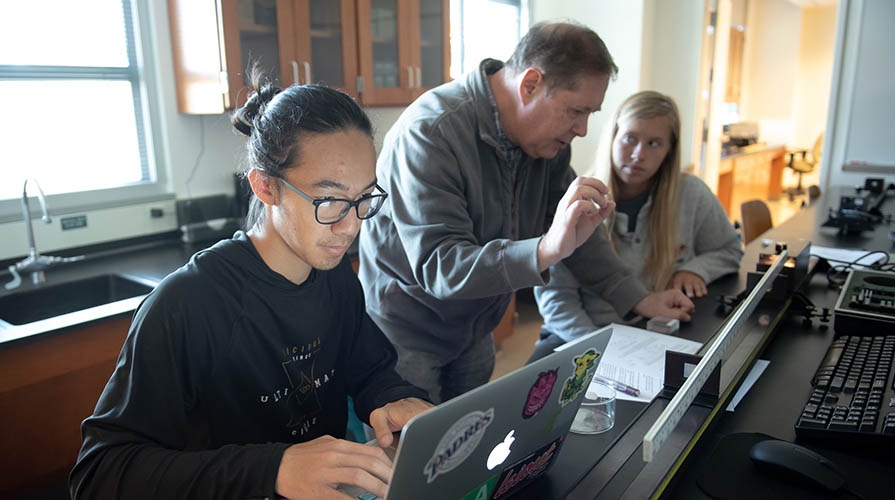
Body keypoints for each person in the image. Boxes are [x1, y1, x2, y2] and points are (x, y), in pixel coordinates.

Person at [70, 75, 432, 500]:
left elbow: (366, 366)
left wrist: (392, 397)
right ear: (265, 186)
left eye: (364, 199)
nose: (350, 226)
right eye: (329, 201)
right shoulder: (187, 304)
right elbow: (99, 473)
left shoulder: (332, 275)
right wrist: (272, 468)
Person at [357, 22, 695, 404]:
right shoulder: (430, 133)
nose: (582, 130)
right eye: (576, 111)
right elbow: (442, 265)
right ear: (530, 84)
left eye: (590, 114)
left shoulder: (547, 145)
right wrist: (544, 250)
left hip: (476, 328)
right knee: (404, 461)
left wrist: (638, 298)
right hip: (408, 335)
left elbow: (579, 237)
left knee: (464, 452)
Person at [532, 91, 743, 359]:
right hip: (583, 335)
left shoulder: (692, 194)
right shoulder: (577, 198)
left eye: (654, 143)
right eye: (630, 139)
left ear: (669, 152)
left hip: (654, 333)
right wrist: (597, 352)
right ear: (613, 137)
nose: (638, 154)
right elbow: (558, 301)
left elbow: (729, 249)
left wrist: (697, 270)